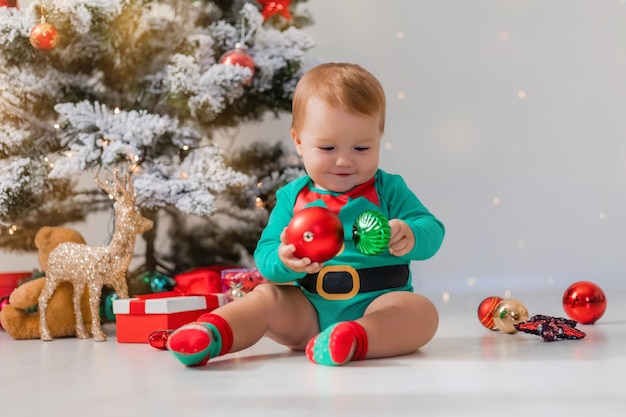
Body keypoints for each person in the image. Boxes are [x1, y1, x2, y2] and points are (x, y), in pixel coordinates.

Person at [166, 62, 445, 367]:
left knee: (421, 313)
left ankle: (353, 339)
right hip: (307, 310)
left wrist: (411, 233)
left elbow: (432, 228)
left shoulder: (389, 189)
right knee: (265, 298)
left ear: (379, 138)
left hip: (376, 304)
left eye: (362, 148)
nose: (344, 161)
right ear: (299, 142)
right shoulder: (293, 197)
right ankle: (210, 333)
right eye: (327, 148)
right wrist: (285, 261)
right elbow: (267, 255)